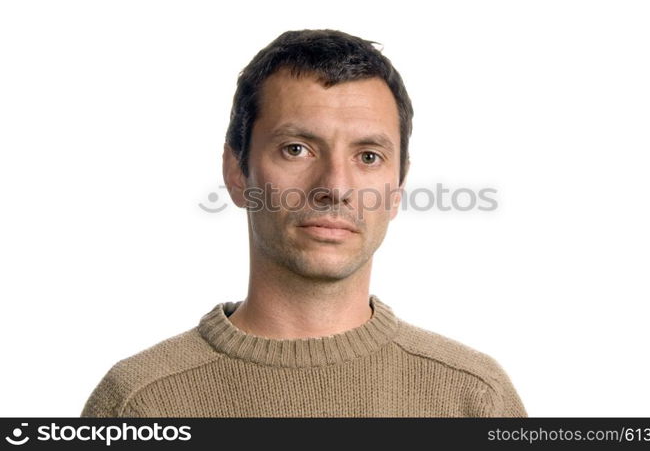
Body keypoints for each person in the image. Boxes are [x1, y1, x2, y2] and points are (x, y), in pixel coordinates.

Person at [80, 29, 527, 417]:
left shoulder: (475, 400)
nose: (335, 186)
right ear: (237, 173)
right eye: (296, 149)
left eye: (368, 157)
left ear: (397, 188)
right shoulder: (138, 403)